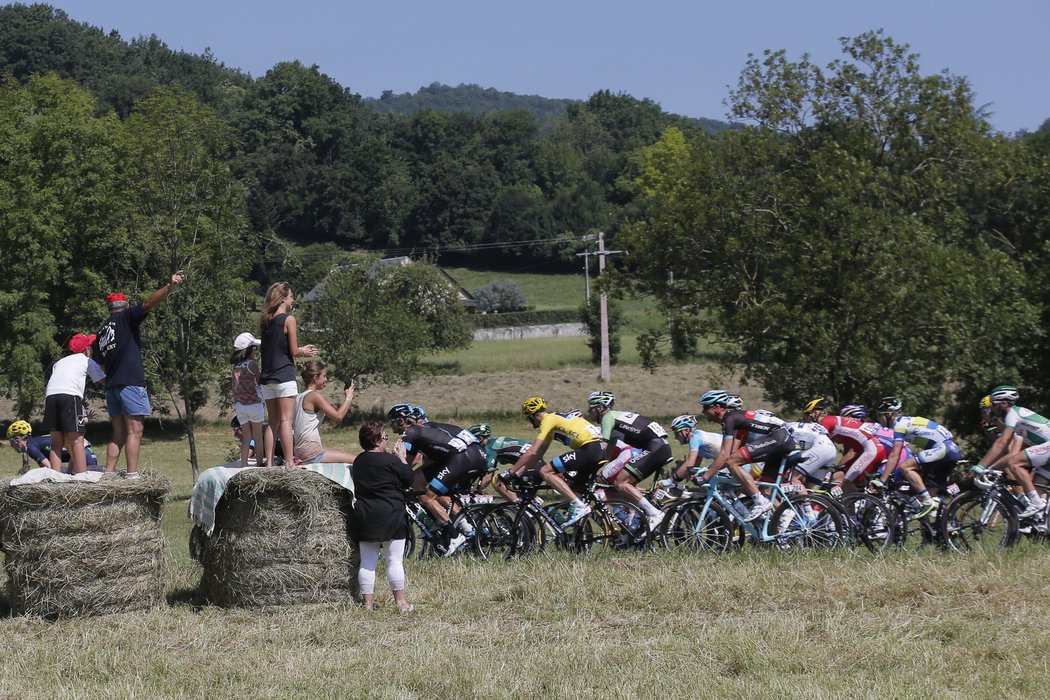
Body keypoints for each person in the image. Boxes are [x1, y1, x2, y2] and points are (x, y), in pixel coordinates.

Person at [96, 271, 184, 477]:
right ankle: (132, 475)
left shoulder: (101, 332)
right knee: (134, 431)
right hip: (130, 384)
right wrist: (169, 286)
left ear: (109, 308)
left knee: (118, 433)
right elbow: (147, 304)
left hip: (112, 387)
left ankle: (108, 474)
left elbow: (101, 367)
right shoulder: (126, 318)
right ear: (125, 306)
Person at [387, 403, 487, 556]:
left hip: (461, 459)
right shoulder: (426, 427)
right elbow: (410, 466)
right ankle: (453, 526)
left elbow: (403, 464)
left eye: (392, 422)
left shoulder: (410, 432)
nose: (391, 426)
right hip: (473, 455)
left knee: (428, 498)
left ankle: (455, 535)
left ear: (400, 421)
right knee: (416, 481)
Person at [695, 390, 795, 521]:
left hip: (779, 438)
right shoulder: (733, 418)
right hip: (782, 439)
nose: (703, 412)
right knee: (765, 487)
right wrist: (711, 469)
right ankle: (783, 518)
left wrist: (706, 476)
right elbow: (728, 452)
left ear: (717, 408)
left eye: (705, 407)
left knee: (732, 462)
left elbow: (726, 455)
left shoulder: (729, 418)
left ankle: (760, 502)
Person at [509, 397, 606, 528]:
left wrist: (511, 472)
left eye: (529, 418)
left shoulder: (547, 420)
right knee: (575, 488)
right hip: (601, 450)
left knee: (545, 471)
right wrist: (519, 473)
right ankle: (583, 530)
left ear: (533, 416)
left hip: (590, 449)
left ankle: (579, 507)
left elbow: (532, 451)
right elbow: (538, 455)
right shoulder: (555, 421)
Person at [350, 420, 414, 612]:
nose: (386, 441)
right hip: (391, 514)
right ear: (377, 440)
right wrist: (402, 459)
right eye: (385, 437)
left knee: (367, 562)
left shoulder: (358, 461)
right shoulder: (390, 460)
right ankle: (401, 603)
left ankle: (367, 604)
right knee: (394, 560)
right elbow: (409, 479)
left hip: (365, 515)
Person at [586, 391, 672, 530]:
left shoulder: (607, 418)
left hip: (655, 447)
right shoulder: (617, 419)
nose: (589, 412)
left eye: (591, 408)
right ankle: (636, 520)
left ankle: (655, 514)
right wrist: (597, 467)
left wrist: (587, 465)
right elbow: (607, 454)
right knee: (626, 487)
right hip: (659, 446)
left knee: (620, 483)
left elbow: (603, 446)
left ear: (600, 408)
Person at [259, 282, 318, 469]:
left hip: (267, 378)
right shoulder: (288, 319)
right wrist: (304, 351)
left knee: (272, 421)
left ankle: (268, 463)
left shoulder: (265, 321)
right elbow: (293, 350)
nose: (293, 300)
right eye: (291, 296)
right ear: (283, 298)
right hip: (284, 375)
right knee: (286, 420)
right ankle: (289, 461)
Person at [874, 396, 961, 519]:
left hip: (943, 449)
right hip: (949, 449)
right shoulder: (907, 421)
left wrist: (882, 480)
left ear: (889, 414)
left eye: (879, 416)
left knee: (906, 467)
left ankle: (927, 502)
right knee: (931, 495)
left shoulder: (899, 425)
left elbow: (895, 455)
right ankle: (943, 530)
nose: (879, 420)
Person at [973, 385, 1050, 519]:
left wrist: (982, 466)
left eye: (994, 405)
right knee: (1038, 488)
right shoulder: (1019, 421)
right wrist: (991, 468)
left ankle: (1036, 504)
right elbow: (1012, 453)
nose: (992, 409)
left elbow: (1001, 443)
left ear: (1004, 403)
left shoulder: (1013, 414)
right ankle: (1043, 523)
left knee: (1015, 464)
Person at [43, 333, 106, 474]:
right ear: (86, 350)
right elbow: (103, 380)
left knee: (56, 442)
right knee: (77, 440)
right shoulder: (86, 360)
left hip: (51, 397)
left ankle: (55, 476)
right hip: (69, 397)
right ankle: (82, 476)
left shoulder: (59, 362)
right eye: (90, 347)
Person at [804, 399, 886, 488]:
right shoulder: (831, 422)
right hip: (869, 450)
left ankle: (852, 500)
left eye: (807, 414)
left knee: (846, 483)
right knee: (840, 474)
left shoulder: (825, 422)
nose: (806, 418)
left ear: (815, 413)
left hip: (871, 450)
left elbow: (820, 447)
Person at [292, 361, 356, 465]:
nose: (326, 380)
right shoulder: (314, 396)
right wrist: (349, 398)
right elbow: (338, 417)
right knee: (357, 459)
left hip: (300, 451)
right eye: (324, 376)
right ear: (315, 378)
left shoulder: (299, 397)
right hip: (311, 452)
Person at [230, 331, 272, 468]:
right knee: (257, 437)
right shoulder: (252, 364)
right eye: (254, 348)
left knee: (246, 437)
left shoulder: (235, 366)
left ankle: (243, 463)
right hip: (254, 404)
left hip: (240, 406)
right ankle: (259, 463)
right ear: (249, 349)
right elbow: (260, 381)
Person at [7, 420, 100, 472]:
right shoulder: (36, 442)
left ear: (17, 439)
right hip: (86, 453)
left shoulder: (30, 447)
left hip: (84, 456)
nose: (11, 446)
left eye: (11, 442)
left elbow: (48, 468)